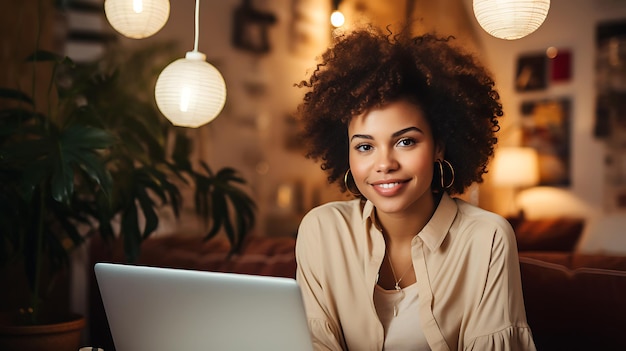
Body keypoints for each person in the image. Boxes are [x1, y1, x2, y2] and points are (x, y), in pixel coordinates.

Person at [294, 26, 536, 351]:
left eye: (405, 141)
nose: (385, 164)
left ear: (439, 146)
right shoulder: (322, 231)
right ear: (346, 154)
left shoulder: (487, 239)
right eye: (365, 147)